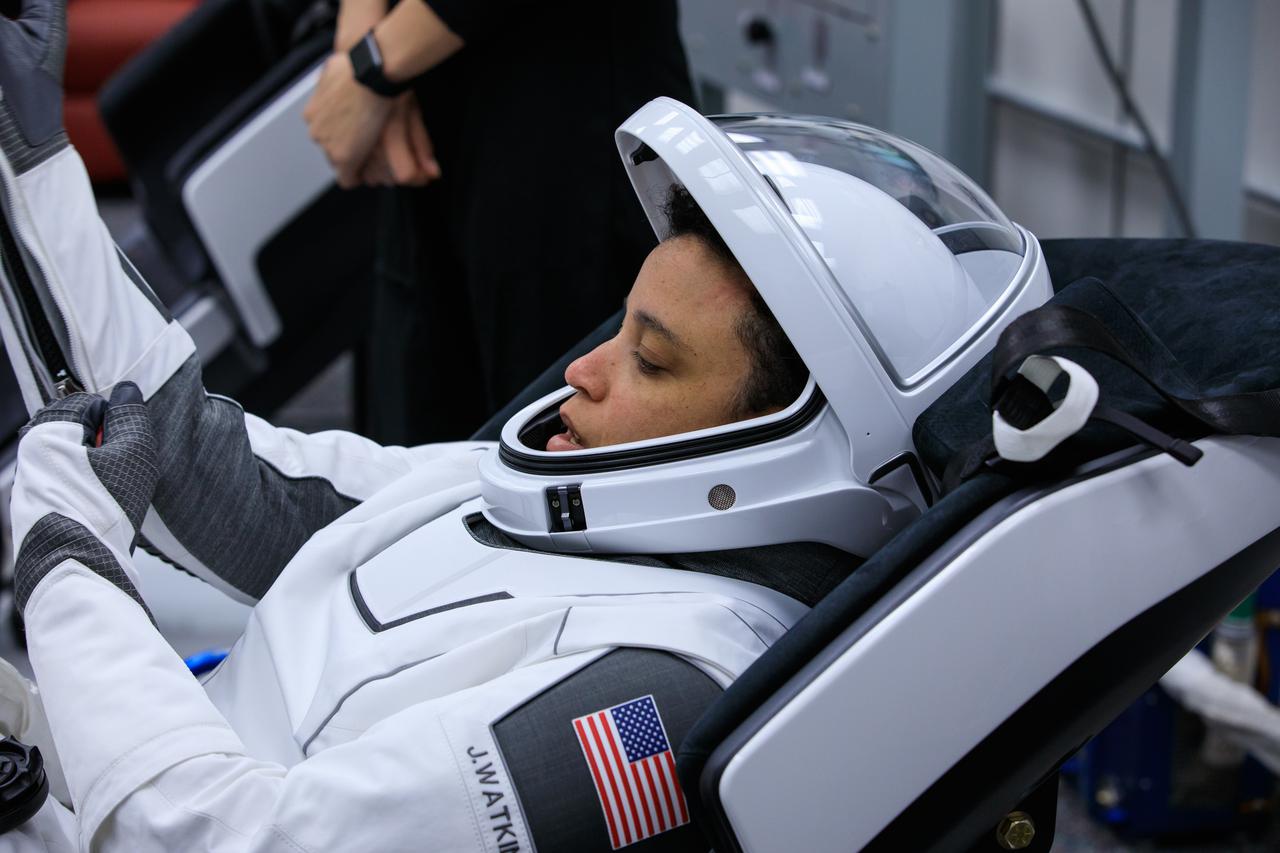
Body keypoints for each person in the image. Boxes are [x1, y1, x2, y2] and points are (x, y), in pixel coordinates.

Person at [0, 2, 1050, 848]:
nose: (580, 370)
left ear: (784, 434)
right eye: (618, 328)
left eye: (647, 357)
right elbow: (201, 466)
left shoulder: (664, 692)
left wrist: (64, 558)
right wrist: (33, 156)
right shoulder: (539, 495)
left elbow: (212, 839)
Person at [303, 0, 696, 443]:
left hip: (563, 118)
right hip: (424, 101)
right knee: (420, 441)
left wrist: (373, 66)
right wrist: (362, 56)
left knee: (554, 442)